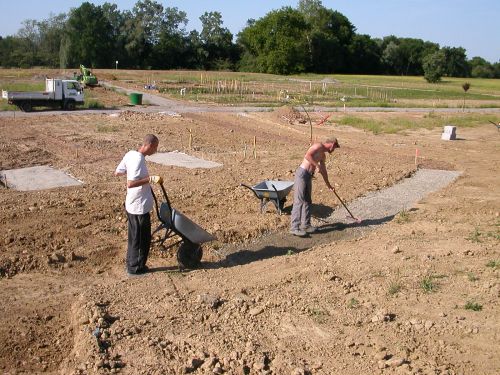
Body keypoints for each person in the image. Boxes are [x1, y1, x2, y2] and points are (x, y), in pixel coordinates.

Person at [114, 134, 163, 275]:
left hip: (132, 205)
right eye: (156, 147)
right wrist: (150, 179)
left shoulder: (131, 154)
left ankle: (131, 264)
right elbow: (131, 184)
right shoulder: (137, 159)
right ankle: (136, 268)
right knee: (141, 239)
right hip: (138, 207)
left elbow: (118, 172)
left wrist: (135, 173)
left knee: (134, 237)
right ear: (150, 145)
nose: (156, 150)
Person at [290, 138, 340, 237]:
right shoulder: (318, 146)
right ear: (332, 144)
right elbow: (307, 156)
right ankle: (294, 228)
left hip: (309, 175)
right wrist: (317, 165)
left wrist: (329, 186)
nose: (334, 150)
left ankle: (306, 225)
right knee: (299, 201)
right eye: (334, 147)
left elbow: (324, 171)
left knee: (308, 201)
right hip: (302, 174)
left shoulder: (323, 155)